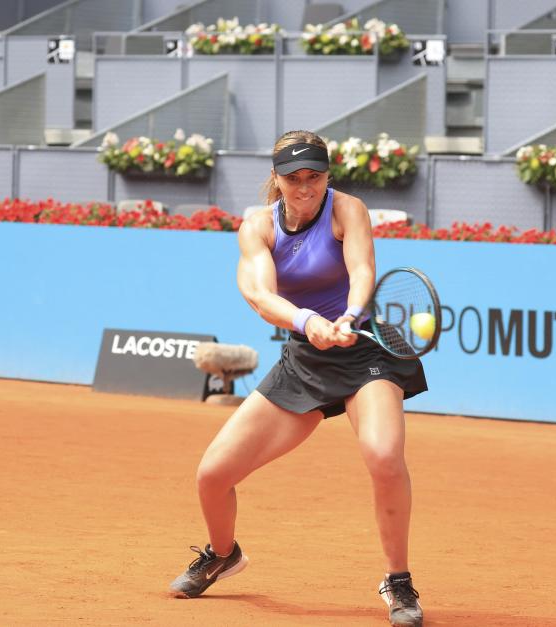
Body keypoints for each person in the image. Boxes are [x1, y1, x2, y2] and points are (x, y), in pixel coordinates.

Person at [169, 130, 428, 627]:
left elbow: (362, 270)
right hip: (305, 359)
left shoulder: (347, 209)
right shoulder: (257, 228)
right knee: (212, 475)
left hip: (364, 353)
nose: (305, 187)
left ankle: (398, 581)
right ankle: (222, 554)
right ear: (277, 178)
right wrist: (309, 323)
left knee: (383, 456)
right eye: (293, 178)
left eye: (315, 176)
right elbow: (261, 296)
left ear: (327, 175)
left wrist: (349, 316)